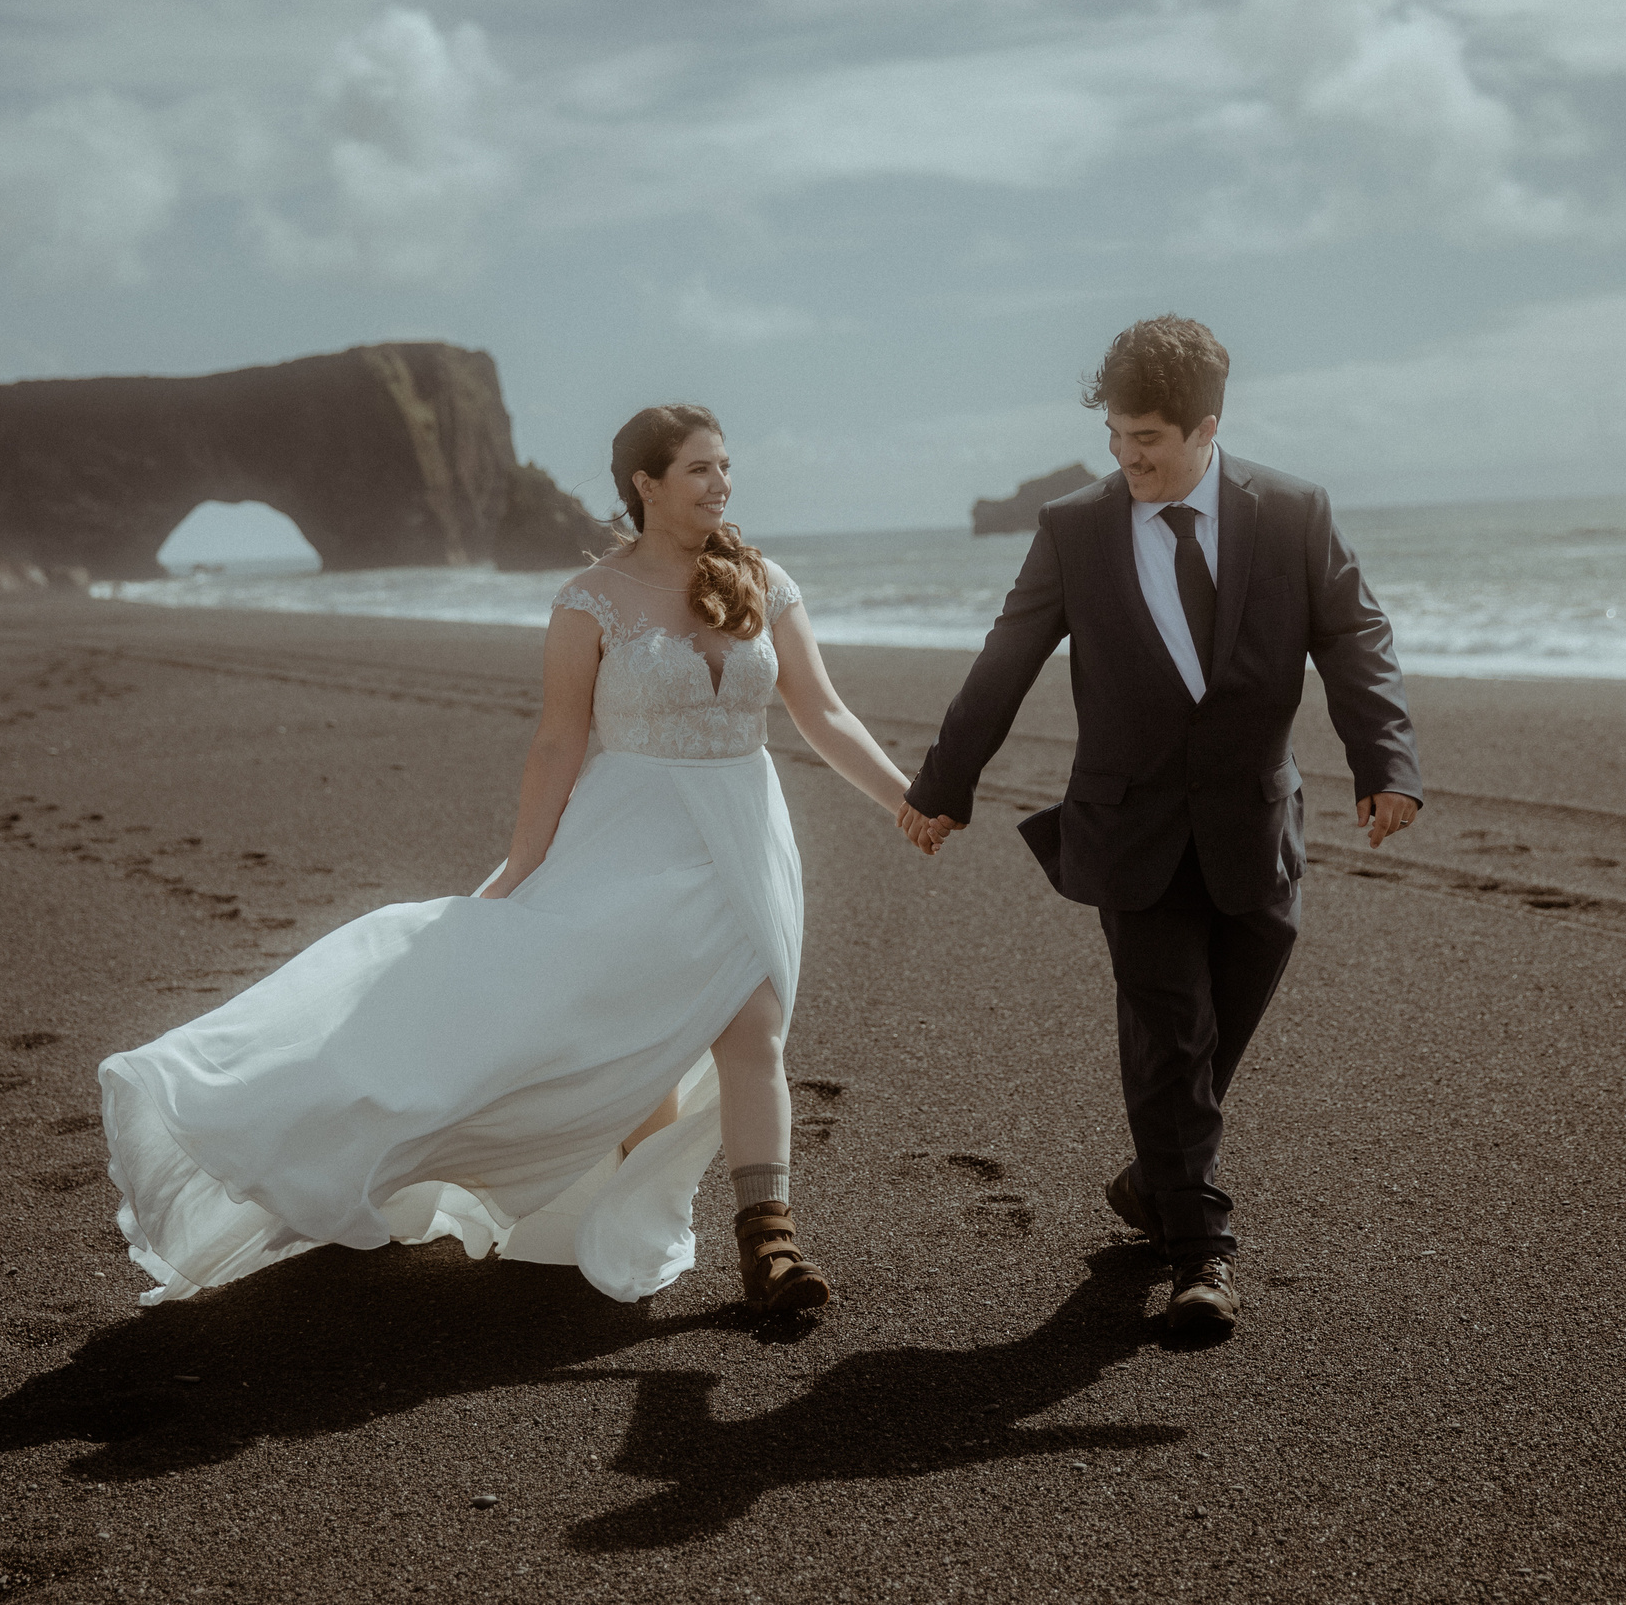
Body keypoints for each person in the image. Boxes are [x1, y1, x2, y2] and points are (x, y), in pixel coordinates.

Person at [100, 404, 930, 1315]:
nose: (721, 484)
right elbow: (557, 743)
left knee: (753, 1021)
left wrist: (903, 797)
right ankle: (586, 1170)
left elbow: (822, 711)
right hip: (631, 839)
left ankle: (769, 1240)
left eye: (725, 465)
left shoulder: (764, 582)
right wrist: (522, 867)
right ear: (645, 485)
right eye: (698, 468)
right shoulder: (592, 599)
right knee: (623, 1028)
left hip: (744, 829)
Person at [897, 316, 1421, 1335]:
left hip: (1254, 828)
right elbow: (1006, 657)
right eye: (1116, 436)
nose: (1127, 457)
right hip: (1128, 830)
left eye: (1147, 439)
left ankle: (1156, 1178)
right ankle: (1201, 1255)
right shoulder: (1074, 529)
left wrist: (1384, 760)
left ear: (1206, 427)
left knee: (1210, 1037)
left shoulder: (1293, 514)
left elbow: (1353, 634)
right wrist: (944, 785)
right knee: (1171, 1037)